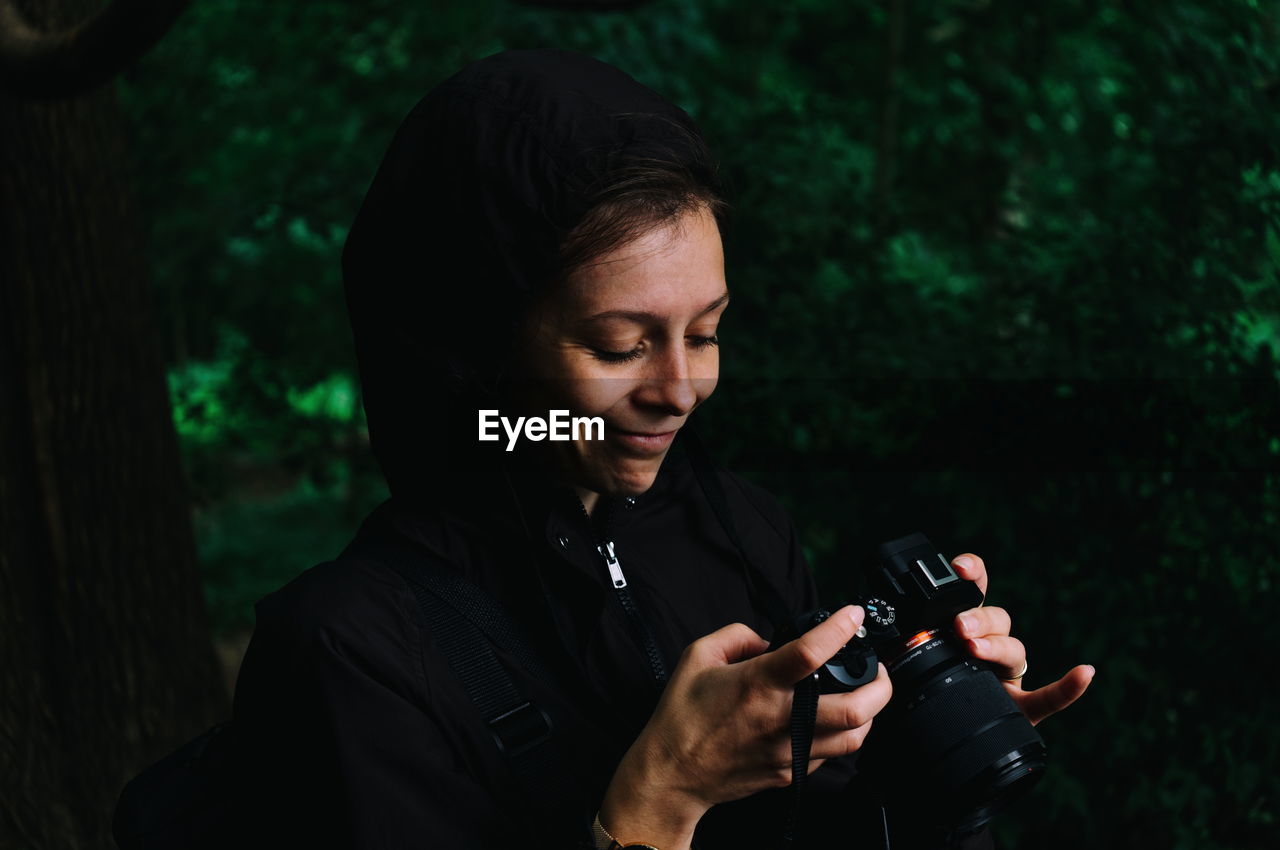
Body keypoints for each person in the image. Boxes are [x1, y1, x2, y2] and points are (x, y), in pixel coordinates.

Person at [228, 48, 1093, 849]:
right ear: (478, 355)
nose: (680, 390)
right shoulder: (347, 652)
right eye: (619, 346)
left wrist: (925, 751)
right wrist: (662, 797)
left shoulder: (741, 531)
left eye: (706, 334)